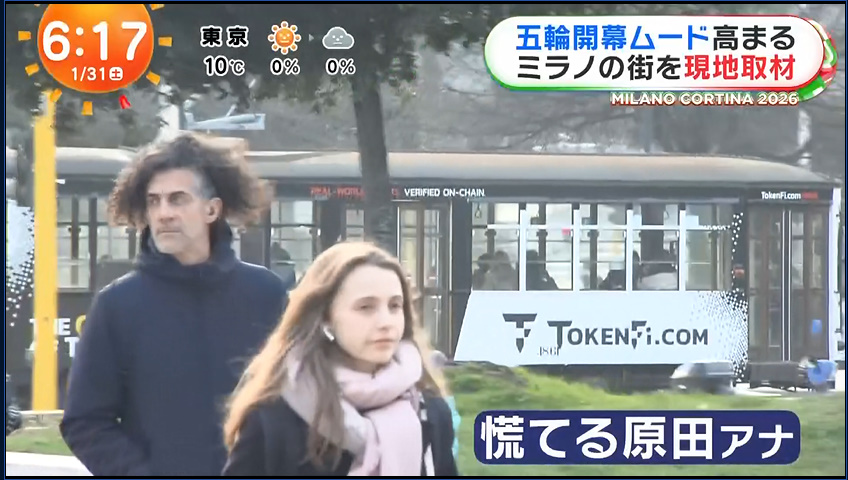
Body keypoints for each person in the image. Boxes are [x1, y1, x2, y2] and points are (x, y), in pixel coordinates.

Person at [60, 133, 294, 476]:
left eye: (177, 200)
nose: (164, 213)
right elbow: (85, 421)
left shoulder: (266, 294)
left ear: (212, 209)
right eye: (154, 202)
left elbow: (296, 403)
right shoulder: (117, 305)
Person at [222, 241, 459, 476]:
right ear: (326, 318)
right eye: (366, 307)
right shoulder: (276, 413)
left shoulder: (428, 410)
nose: (386, 322)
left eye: (395, 306)